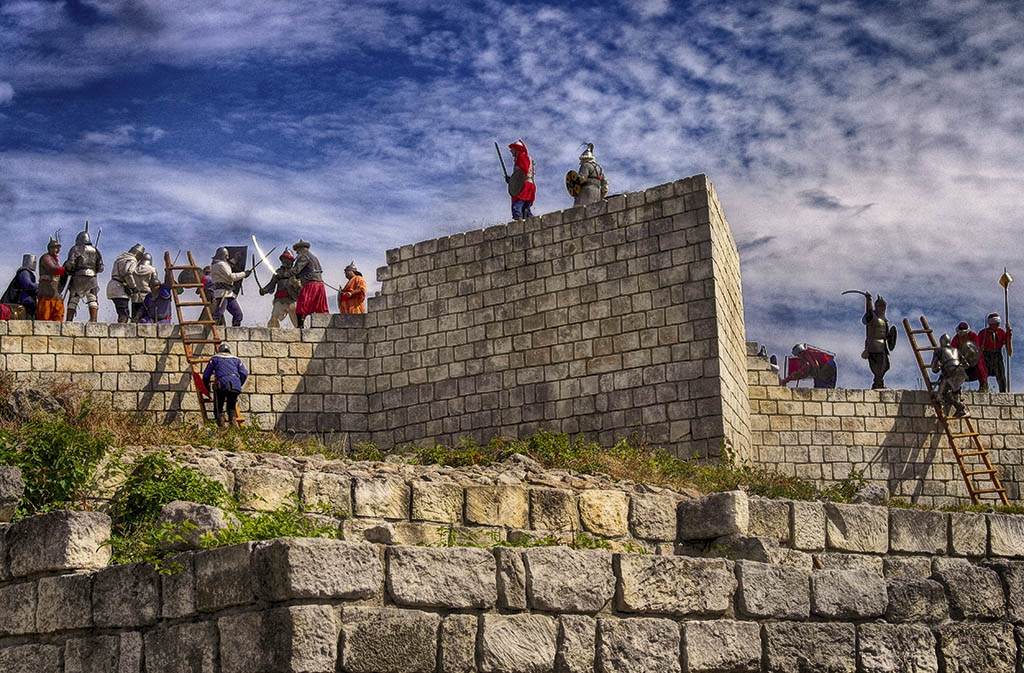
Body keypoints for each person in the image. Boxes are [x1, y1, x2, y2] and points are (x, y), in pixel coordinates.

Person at [201, 343, 248, 427]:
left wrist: (206, 387)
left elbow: (206, 375)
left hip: (221, 384)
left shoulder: (215, 359)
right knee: (231, 408)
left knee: (219, 408)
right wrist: (239, 383)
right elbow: (244, 373)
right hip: (235, 385)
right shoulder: (236, 360)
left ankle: (222, 430)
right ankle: (233, 429)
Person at [64, 228, 104, 322]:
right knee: (92, 298)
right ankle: (94, 320)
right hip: (92, 277)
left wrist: (69, 270)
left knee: (74, 298)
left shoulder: (75, 249)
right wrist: (93, 270)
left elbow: (70, 264)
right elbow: (101, 267)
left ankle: (69, 321)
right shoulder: (95, 250)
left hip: (78, 276)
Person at [287, 239, 327, 327]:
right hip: (320, 284)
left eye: (297, 250)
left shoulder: (303, 256)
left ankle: (300, 326)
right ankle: (321, 326)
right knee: (319, 306)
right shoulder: (314, 257)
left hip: (310, 284)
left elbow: (297, 269)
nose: (296, 253)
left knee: (302, 304)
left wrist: (286, 274)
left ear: (300, 249)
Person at [259, 248, 301, 327]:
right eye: (284, 259)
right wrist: (264, 290)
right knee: (274, 320)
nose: (285, 261)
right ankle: (271, 337)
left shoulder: (296, 272)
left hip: (293, 300)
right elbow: (271, 284)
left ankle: (304, 338)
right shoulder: (278, 272)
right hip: (280, 300)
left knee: (299, 324)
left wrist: (297, 284)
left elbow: (301, 287)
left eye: (287, 259)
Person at [931, 333, 969, 417]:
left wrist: (939, 367)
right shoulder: (956, 350)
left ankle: (961, 408)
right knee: (955, 392)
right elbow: (966, 364)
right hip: (962, 373)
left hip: (949, 373)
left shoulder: (939, 351)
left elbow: (933, 367)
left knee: (943, 394)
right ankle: (960, 406)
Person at [106, 243, 145, 323]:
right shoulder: (132, 260)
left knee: (121, 312)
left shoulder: (120, 258)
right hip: (119, 288)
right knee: (124, 314)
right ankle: (120, 331)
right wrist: (133, 287)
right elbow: (127, 273)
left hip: (113, 285)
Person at [210, 247, 249, 327]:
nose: (228, 257)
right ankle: (210, 329)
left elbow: (227, 266)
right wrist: (244, 274)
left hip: (228, 294)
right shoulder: (221, 264)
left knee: (238, 314)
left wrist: (235, 259)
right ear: (223, 256)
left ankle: (236, 332)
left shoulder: (217, 264)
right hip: (222, 294)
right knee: (218, 313)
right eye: (226, 256)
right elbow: (231, 277)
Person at [861, 293, 893, 389]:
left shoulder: (884, 320)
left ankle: (878, 383)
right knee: (880, 366)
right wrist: (868, 301)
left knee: (885, 366)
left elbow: (886, 334)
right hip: (874, 345)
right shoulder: (873, 317)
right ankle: (878, 384)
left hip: (882, 345)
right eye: (881, 306)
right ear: (877, 307)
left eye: (884, 306)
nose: (883, 308)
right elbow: (869, 313)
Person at [979, 313, 1012, 393]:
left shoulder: (1001, 332)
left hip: (997, 354)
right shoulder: (983, 333)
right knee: (983, 374)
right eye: (995, 323)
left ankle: (1003, 392)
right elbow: (977, 345)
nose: (998, 325)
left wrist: (1008, 336)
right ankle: (983, 390)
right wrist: (980, 349)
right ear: (991, 323)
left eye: (998, 323)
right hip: (986, 355)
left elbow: (1007, 343)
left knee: (1000, 374)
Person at [36, 236, 66, 322]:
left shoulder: (55, 261)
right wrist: (65, 269)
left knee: (58, 318)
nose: (57, 250)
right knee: (44, 319)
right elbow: (52, 269)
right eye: (55, 248)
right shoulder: (46, 258)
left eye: (58, 248)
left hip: (55, 295)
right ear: (50, 248)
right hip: (46, 294)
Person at [950, 321, 987, 391]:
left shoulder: (973, 336)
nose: (963, 336)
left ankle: (983, 385)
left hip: (973, 357)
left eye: (964, 334)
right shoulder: (955, 340)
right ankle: (955, 389)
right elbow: (953, 351)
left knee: (979, 367)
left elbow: (975, 348)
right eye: (961, 334)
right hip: (960, 359)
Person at [2, 254, 38, 319]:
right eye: (34, 261)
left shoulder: (27, 273)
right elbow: (28, 285)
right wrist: (41, 285)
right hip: (19, 303)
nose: (34, 263)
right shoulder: (24, 272)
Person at [507, 139, 536, 221]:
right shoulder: (524, 157)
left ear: (517, 149)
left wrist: (513, 181)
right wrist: (511, 180)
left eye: (512, 149)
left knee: (518, 203)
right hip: (528, 184)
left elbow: (523, 172)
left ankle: (518, 217)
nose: (511, 151)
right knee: (525, 206)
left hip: (524, 185)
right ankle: (529, 218)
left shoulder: (522, 157)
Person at [573, 142, 609, 207]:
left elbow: (582, 179)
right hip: (597, 193)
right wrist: (601, 196)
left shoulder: (585, 165)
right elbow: (605, 186)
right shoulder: (599, 168)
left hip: (586, 192)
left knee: (579, 211)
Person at [131, 252, 159, 323]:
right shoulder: (152, 270)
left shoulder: (134, 270)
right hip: (147, 297)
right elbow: (155, 283)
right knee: (146, 321)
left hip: (135, 297)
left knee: (135, 321)